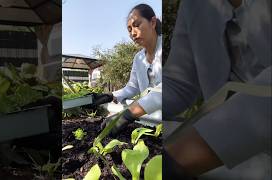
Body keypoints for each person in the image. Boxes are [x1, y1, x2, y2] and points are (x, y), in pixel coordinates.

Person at [161, 0, 271, 179]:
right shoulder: (193, 5)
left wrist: (179, 158)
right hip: (220, 148)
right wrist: (135, 108)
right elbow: (178, 82)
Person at [98, 3, 162, 136]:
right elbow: (133, 87)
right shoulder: (138, 58)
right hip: (150, 123)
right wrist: (111, 96)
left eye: (137, 25)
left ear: (153, 22)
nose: (133, 33)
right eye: (129, 29)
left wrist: (128, 114)